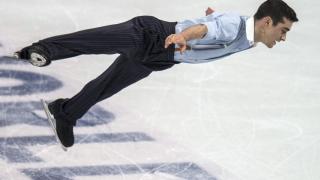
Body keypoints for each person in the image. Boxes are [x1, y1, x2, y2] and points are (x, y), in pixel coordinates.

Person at [13, 0, 298, 148]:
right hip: (153, 36)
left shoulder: (246, 35)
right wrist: (183, 35)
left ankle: (64, 113)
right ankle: (43, 50)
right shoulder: (236, 25)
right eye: (283, 30)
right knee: (93, 41)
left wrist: (208, 18)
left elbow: (212, 24)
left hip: (162, 56)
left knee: (106, 86)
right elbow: (204, 30)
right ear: (267, 21)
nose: (282, 38)